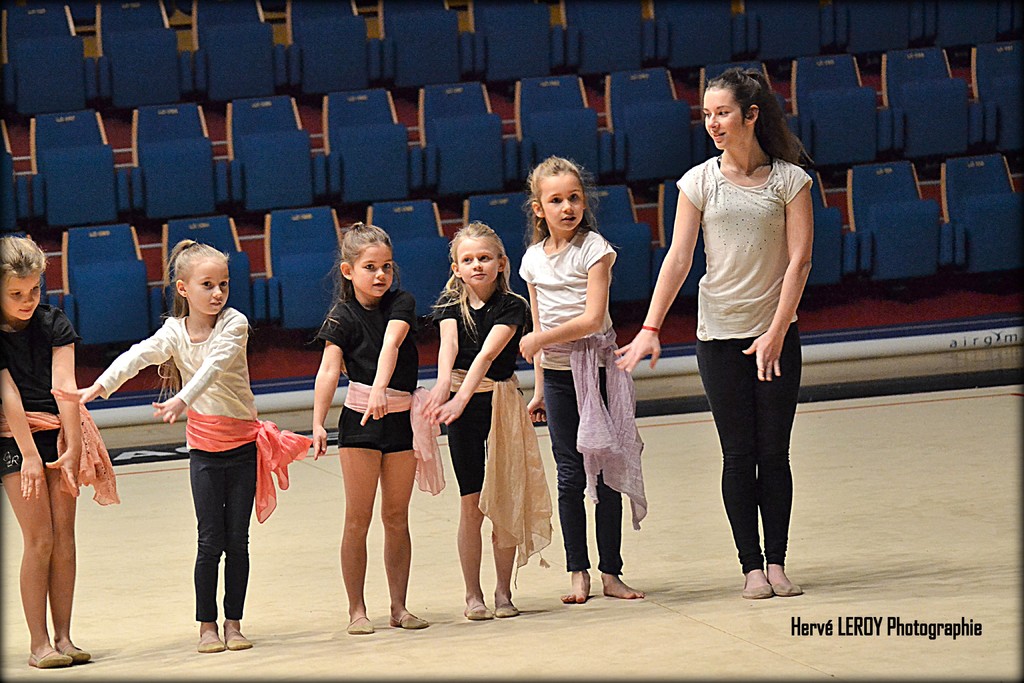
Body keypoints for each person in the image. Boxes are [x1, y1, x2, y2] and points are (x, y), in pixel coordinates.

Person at [53, 240, 311, 652]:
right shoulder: (174, 331)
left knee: (237, 540)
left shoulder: (235, 323)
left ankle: (233, 623)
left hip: (242, 446)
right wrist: (99, 387)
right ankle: (207, 625)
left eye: (223, 284)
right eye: (207, 285)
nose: (218, 293)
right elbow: (137, 356)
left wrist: (182, 399)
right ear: (183, 288)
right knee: (209, 540)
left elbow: (214, 367)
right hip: (204, 450)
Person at [615, 67, 813, 600]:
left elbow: (799, 262)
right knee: (738, 454)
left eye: (722, 112)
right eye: (707, 114)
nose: (713, 123)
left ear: (751, 115)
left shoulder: (790, 180)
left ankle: (777, 563)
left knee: (774, 454)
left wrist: (777, 330)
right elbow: (678, 258)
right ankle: (751, 568)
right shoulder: (699, 181)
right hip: (719, 335)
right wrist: (651, 326)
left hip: (776, 335)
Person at [517, 156, 648, 605]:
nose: (567, 207)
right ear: (539, 209)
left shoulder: (595, 249)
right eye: (556, 200)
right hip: (557, 377)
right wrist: (538, 387)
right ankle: (578, 571)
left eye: (574, 198)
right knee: (570, 475)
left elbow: (592, 319)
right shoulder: (532, 259)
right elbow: (538, 321)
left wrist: (541, 339)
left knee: (606, 471)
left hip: (597, 371)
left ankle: (611, 572)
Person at [311, 222, 441, 636]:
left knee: (396, 516)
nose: (381, 274)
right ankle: (357, 610)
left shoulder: (402, 301)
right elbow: (328, 370)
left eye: (386, 266)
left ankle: (399, 607)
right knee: (358, 518)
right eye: (370, 267)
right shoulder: (341, 316)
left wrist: (383, 388)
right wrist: (317, 423)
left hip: (400, 419)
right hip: (361, 422)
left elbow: (391, 344)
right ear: (348, 271)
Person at [0, 235, 117, 669]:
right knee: (40, 539)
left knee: (65, 538)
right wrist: (30, 455)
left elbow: (65, 386)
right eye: (15, 293)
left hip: (58, 429)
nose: (27, 301)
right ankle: (39, 644)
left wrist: (73, 448)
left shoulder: (53, 322)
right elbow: (9, 396)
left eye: (33, 290)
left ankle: (65, 637)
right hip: (14, 436)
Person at [426, 222, 552, 621]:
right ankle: (472, 594)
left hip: (498, 403)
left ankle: (503, 591)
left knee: (504, 498)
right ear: (456, 268)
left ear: (501, 263)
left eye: (484, 258)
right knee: (471, 503)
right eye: (468, 260)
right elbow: (449, 348)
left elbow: (486, 355)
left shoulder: (513, 305)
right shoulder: (450, 305)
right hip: (462, 409)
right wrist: (442, 385)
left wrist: (459, 398)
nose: (476, 265)